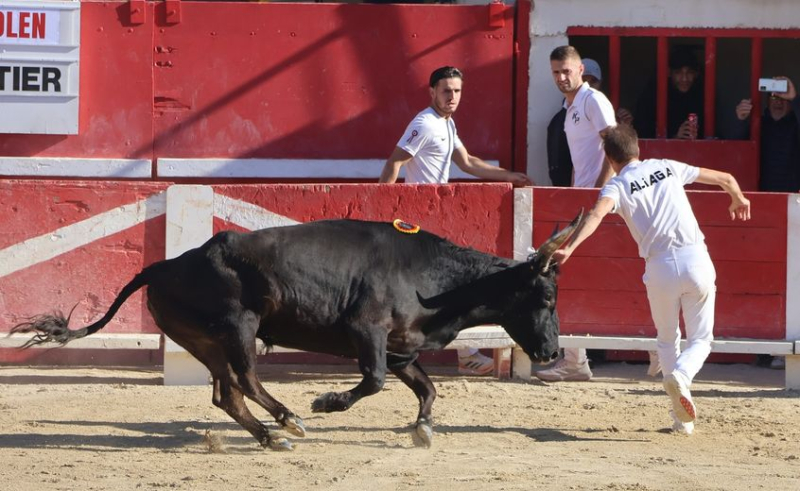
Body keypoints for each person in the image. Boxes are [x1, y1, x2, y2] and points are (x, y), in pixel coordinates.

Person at [551, 124, 751, 434]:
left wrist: (571, 247)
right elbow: (725, 178)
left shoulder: (617, 186)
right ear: (637, 148)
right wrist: (738, 198)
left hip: (658, 268)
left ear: (610, 157)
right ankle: (682, 378)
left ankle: (680, 421)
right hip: (695, 259)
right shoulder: (666, 167)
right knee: (700, 339)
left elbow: (596, 214)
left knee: (666, 339)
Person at [379, 65, 532, 375]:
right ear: (432, 92)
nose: (452, 96)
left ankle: (463, 354)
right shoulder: (424, 123)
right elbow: (396, 161)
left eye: (457, 91)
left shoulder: (446, 123)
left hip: (432, 217)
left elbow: (467, 162)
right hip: (416, 219)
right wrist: (384, 207)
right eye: (446, 90)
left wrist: (509, 176)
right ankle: (465, 354)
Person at [535, 47, 618, 383]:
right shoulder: (570, 110)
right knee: (575, 277)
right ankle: (575, 358)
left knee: (606, 275)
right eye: (556, 72)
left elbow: (615, 148)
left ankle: (658, 353)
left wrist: (598, 193)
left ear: (580, 68)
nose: (561, 78)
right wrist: (576, 193)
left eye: (566, 71)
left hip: (603, 202)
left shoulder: (592, 100)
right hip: (586, 200)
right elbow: (580, 161)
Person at [733, 76, 799, 371]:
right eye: (772, 96)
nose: (777, 101)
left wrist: (795, 100)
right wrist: (740, 120)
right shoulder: (755, 125)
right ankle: (762, 349)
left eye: (783, 97)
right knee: (758, 275)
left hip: (793, 207)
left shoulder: (796, 124)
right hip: (757, 208)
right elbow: (734, 149)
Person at [634, 46, 704, 140]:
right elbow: (642, 134)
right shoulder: (653, 97)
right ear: (668, 72)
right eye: (678, 73)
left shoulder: (701, 97)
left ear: (696, 74)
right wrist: (675, 138)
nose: (684, 78)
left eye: (689, 72)